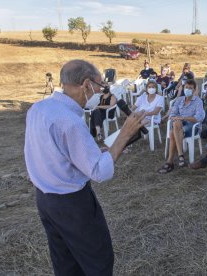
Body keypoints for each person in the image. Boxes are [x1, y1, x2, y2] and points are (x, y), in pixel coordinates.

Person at [24, 59, 145, 275]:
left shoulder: (38, 108)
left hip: (45, 199)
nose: (100, 92)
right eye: (100, 86)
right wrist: (124, 134)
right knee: (97, 261)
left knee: (65, 262)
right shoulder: (69, 120)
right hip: (73, 205)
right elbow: (100, 171)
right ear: (87, 84)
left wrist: (94, 153)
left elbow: (54, 153)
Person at [158, 79, 205, 173]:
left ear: (194, 89)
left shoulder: (198, 101)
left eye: (190, 88)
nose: (188, 89)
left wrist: (183, 118)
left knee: (172, 133)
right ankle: (180, 156)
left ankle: (170, 162)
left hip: (192, 126)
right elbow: (172, 114)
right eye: (186, 87)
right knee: (176, 124)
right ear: (183, 88)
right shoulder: (179, 100)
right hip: (179, 125)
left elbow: (198, 118)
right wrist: (177, 118)